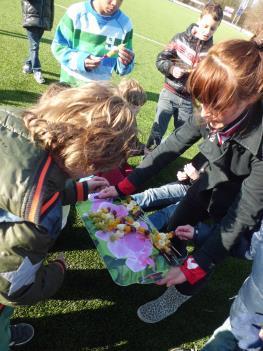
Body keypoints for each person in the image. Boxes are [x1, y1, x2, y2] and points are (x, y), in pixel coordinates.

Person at [99, 32, 263, 324]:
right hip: (205, 184)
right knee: (173, 229)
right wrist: (126, 184)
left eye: (216, 106)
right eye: (201, 102)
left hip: (235, 205)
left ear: (251, 98)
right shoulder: (212, 109)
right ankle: (168, 267)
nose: (205, 113)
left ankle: (179, 293)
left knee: (206, 252)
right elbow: (172, 144)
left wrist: (195, 266)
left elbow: (242, 215)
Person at [0, 81, 137, 350]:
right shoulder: (38, 217)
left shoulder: (9, 120)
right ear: (88, 160)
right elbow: (14, 290)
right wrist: (56, 272)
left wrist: (76, 191)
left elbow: (21, 185)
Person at [146, 2, 223, 151]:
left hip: (188, 101)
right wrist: (171, 68)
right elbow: (161, 59)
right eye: (206, 25)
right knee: (157, 130)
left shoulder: (212, 53)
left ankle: (163, 157)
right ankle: (147, 157)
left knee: (180, 135)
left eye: (213, 28)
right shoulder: (179, 39)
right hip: (169, 93)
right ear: (199, 19)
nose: (208, 31)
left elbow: (210, 80)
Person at [201, 221, 263, 351]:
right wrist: (200, 233)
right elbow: (251, 248)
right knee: (217, 344)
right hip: (244, 312)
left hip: (256, 330)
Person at [51, 0, 134, 86]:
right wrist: (80, 61)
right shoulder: (75, 12)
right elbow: (58, 46)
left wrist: (125, 62)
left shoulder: (125, 24)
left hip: (100, 93)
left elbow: (121, 69)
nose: (115, 3)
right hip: (69, 86)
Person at [96, 78, 147, 185]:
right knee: (123, 185)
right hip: (105, 163)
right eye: (134, 106)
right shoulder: (112, 120)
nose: (138, 110)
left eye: (139, 106)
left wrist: (144, 149)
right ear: (122, 102)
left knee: (133, 178)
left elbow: (132, 142)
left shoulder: (130, 118)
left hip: (117, 161)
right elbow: (125, 147)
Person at [21, 0, 54, 84]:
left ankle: (28, 64)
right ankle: (37, 71)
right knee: (34, 46)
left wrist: (49, 23)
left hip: (43, 22)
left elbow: (51, 6)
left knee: (34, 46)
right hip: (32, 20)